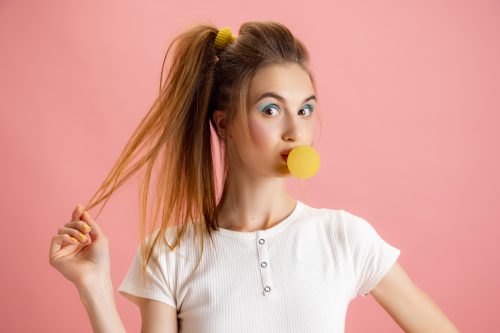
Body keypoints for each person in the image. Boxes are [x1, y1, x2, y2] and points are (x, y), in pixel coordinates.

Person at [49, 21, 460, 332]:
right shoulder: (169, 252)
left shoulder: (344, 237)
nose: (295, 130)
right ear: (223, 124)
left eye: (305, 110)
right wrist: (93, 284)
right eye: (270, 109)